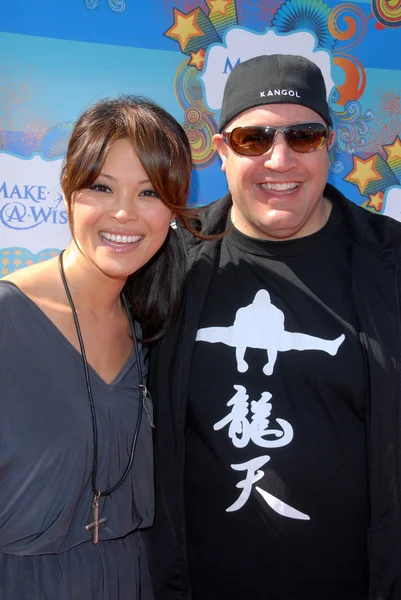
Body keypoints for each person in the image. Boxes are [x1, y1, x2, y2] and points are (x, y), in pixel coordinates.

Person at [148, 55, 401, 600]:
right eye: (253, 140)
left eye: (303, 137)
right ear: (220, 151)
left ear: (329, 145)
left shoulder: (392, 264)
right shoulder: (167, 262)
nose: (279, 159)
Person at [0, 95, 194, 599]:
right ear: (69, 191)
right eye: (102, 187)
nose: (125, 213)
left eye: (150, 192)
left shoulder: (152, 326)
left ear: (173, 208)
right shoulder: (8, 319)